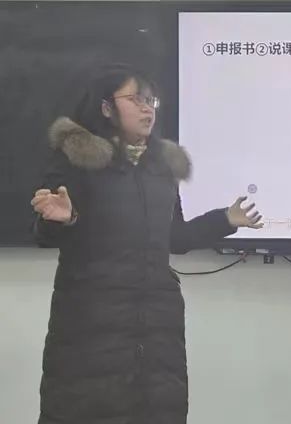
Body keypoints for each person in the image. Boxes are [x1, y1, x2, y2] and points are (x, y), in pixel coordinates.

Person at [30, 63, 263, 424]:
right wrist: (64, 218)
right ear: (106, 107)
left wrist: (224, 220)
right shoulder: (77, 161)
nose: (147, 108)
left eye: (151, 100)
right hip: (91, 324)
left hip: (157, 327)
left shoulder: (162, 168)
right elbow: (46, 236)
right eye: (135, 99)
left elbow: (174, 238)